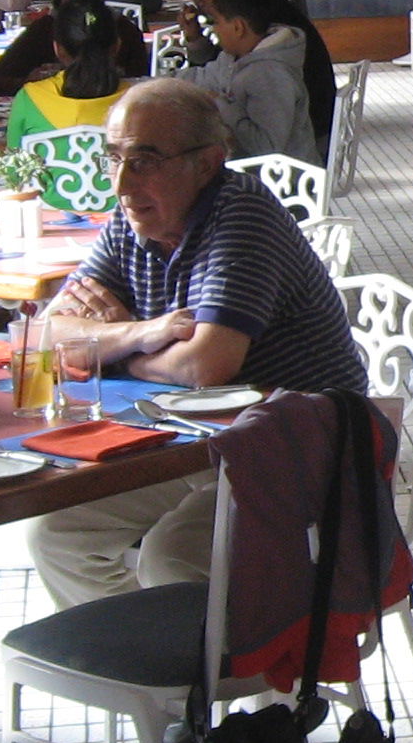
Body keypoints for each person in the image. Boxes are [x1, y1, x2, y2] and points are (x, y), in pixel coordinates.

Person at [29, 81, 366, 614]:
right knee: (60, 535)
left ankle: (209, 679)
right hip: (198, 442)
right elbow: (49, 334)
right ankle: (163, 686)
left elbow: (207, 365)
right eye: (113, 157)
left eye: (145, 159)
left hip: (303, 441)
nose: (120, 182)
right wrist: (144, 332)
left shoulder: (241, 215)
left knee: (172, 556)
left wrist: (116, 351)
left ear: (207, 164)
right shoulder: (132, 216)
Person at [178, 0, 337, 158]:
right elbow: (219, 71)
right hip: (278, 133)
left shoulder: (266, 22)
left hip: (301, 144)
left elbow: (267, 145)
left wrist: (220, 102)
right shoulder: (255, 10)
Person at [0, 0, 150, 100]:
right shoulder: (44, 29)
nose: (79, 0)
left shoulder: (123, 29)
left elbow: (142, 82)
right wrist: (28, 81)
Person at [200, 0, 316, 163]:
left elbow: (267, 149)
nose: (214, 30)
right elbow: (204, 78)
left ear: (238, 27)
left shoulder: (269, 74)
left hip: (286, 181)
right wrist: (151, 83)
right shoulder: (237, 56)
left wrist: (220, 104)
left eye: (216, 22)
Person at [5, 0, 131, 161]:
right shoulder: (137, 101)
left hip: (47, 188)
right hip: (122, 188)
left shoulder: (29, 99)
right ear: (117, 46)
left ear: (58, 49)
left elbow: (13, 172)